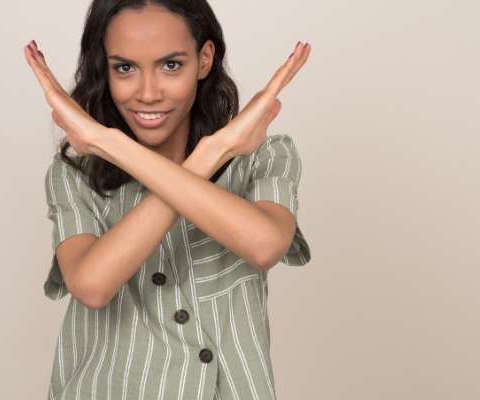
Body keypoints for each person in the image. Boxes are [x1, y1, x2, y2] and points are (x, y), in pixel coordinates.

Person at [23, 1, 312, 399]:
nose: (147, 93)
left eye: (171, 65)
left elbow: (264, 244)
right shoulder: (75, 176)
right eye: (124, 67)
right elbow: (91, 284)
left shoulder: (262, 157)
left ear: (204, 60)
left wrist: (109, 143)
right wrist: (212, 153)